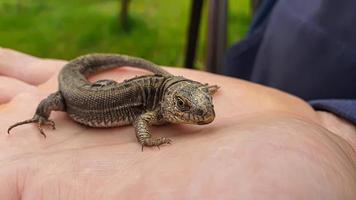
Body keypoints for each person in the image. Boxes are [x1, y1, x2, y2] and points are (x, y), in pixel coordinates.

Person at [0, 48, 355, 199]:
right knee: (52, 102)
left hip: (98, 88)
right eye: (187, 106)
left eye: (201, 103)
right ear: (170, 101)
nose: (203, 116)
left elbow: (182, 96)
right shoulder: (152, 110)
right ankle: (39, 114)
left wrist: (337, 134)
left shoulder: (170, 97)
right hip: (76, 96)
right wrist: (148, 141)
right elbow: (143, 121)